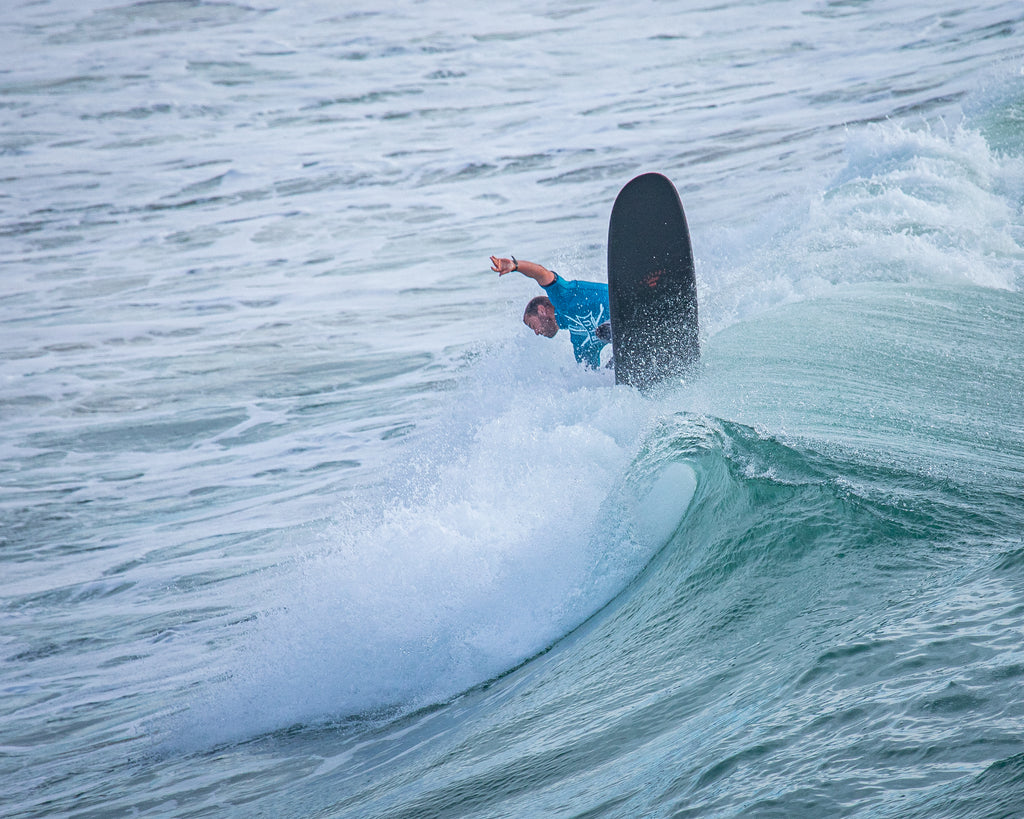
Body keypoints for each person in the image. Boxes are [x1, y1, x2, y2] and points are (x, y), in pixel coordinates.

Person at [490, 255, 611, 370]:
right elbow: (591, 374)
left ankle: (614, 327)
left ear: (541, 310)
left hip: (621, 301)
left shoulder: (562, 298)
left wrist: (515, 266)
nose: (536, 332)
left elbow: (541, 274)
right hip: (624, 337)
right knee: (611, 370)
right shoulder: (579, 342)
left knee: (604, 331)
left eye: (533, 326)